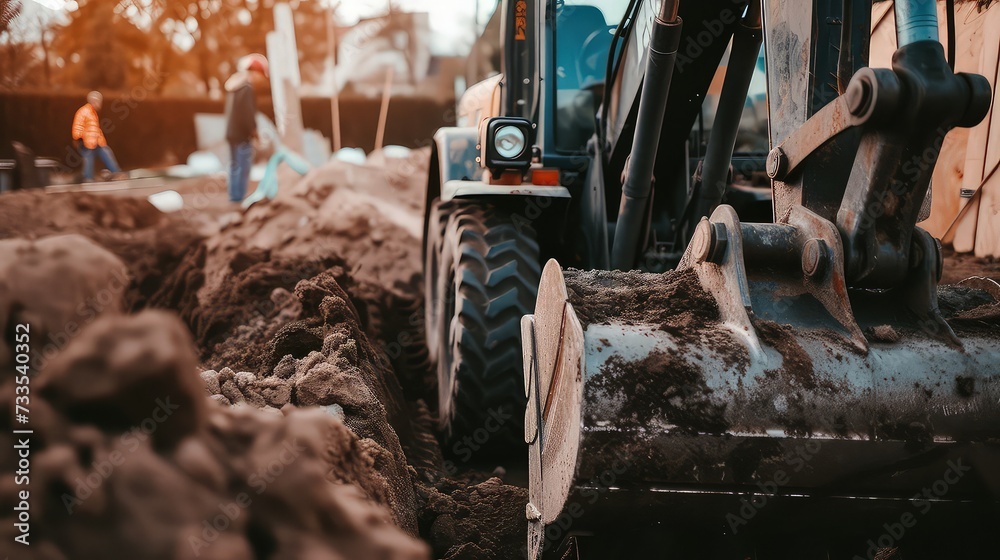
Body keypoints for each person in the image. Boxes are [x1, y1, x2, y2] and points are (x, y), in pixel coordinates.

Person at [224, 53, 269, 203]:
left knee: (234, 166)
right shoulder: (247, 89)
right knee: (242, 168)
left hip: (232, 133)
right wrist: (255, 133)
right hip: (242, 135)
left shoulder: (235, 87)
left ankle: (234, 196)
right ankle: (238, 199)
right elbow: (248, 115)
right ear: (254, 72)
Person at [72, 91, 123, 182]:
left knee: (106, 154)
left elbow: (95, 128)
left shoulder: (92, 112)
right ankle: (88, 178)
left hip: (96, 142)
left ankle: (116, 173)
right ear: (93, 101)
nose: (100, 104)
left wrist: (101, 140)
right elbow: (78, 125)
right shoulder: (84, 111)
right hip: (86, 142)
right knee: (89, 160)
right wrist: (78, 138)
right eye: (99, 102)